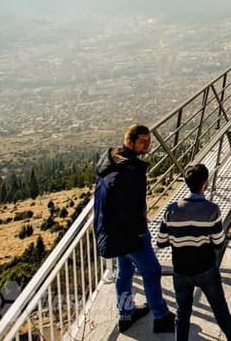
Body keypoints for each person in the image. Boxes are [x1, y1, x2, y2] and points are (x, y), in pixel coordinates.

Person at [94, 124, 175, 333]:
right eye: (142, 141)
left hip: (112, 231)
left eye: (148, 141)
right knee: (152, 270)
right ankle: (161, 316)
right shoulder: (128, 171)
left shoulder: (112, 161)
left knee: (125, 270)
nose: (147, 145)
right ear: (129, 142)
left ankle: (126, 314)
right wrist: (139, 231)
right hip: (128, 233)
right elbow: (128, 208)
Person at [158, 164, 231, 341]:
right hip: (205, 268)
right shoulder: (211, 210)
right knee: (219, 306)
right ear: (206, 183)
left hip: (181, 269)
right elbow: (219, 242)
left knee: (182, 312)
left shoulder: (171, 210)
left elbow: (161, 242)